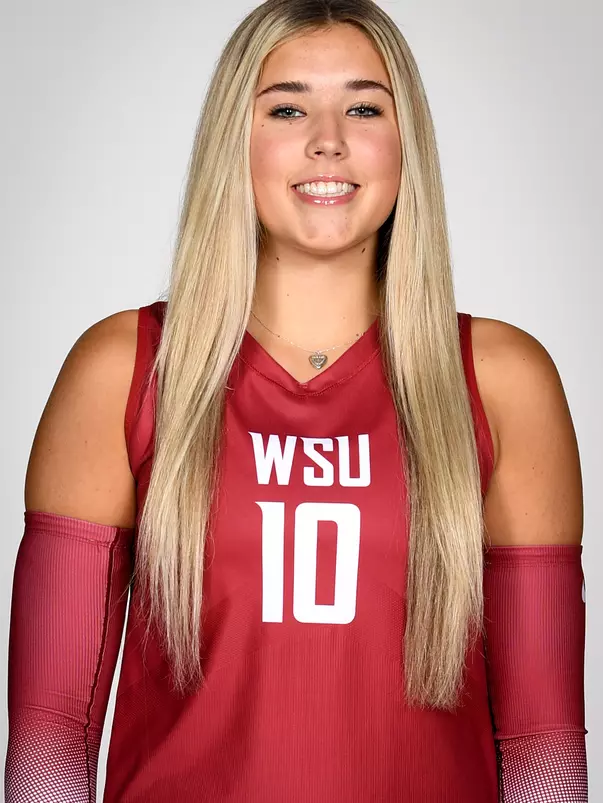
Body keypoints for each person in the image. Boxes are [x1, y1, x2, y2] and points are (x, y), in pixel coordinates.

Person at [5, 0, 588, 801]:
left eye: (362, 106)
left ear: (403, 141)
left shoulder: (500, 379)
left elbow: (542, 746)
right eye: (286, 106)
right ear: (233, 140)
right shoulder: (126, 369)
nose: (328, 140)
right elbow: (49, 735)